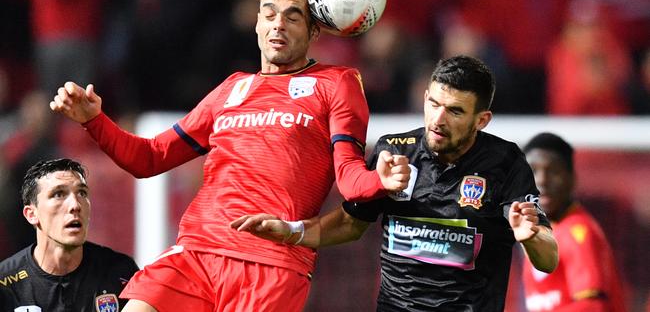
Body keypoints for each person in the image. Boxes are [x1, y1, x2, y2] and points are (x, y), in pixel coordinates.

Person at [49, 0, 410, 312]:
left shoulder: (337, 83)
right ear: (256, 24)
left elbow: (349, 177)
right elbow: (150, 158)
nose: (277, 25)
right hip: (196, 251)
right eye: (268, 14)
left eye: (293, 16)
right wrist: (94, 120)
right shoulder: (232, 88)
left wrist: (379, 179)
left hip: (270, 262)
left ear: (314, 32)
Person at [232, 54, 559, 312]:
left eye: (455, 112)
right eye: (433, 104)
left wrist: (530, 238)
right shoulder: (395, 151)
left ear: (481, 120)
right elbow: (351, 223)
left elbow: (548, 258)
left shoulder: (505, 162)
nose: (438, 119)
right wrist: (292, 232)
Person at [0, 158, 139, 311]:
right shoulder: (5, 283)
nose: (75, 205)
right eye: (58, 194)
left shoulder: (121, 272)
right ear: (31, 214)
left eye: (82, 193)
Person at [520, 132, 628, 312]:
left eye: (553, 171)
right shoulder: (538, 233)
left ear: (572, 179)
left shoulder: (577, 232)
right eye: (533, 171)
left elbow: (594, 306)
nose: (542, 180)